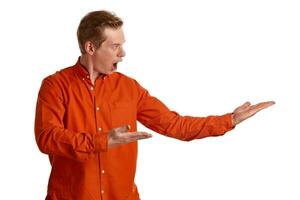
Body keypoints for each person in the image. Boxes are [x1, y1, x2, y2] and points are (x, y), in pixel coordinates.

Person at [34, 10, 275, 200]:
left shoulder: (129, 88)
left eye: (122, 44)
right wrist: (101, 141)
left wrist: (229, 120)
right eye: (114, 46)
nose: (123, 53)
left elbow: (175, 125)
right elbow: (47, 137)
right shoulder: (55, 85)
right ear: (90, 47)